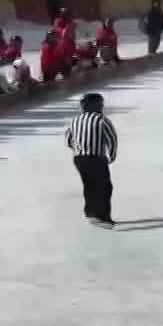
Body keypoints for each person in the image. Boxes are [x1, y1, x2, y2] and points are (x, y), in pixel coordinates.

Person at [65, 92, 120, 228]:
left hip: (79, 159)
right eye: (100, 104)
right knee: (104, 187)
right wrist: (111, 156)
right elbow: (112, 139)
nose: (102, 106)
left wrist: (79, 150)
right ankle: (103, 217)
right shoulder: (101, 119)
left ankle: (90, 212)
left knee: (89, 185)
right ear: (95, 105)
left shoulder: (75, 120)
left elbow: (68, 140)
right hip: (96, 158)